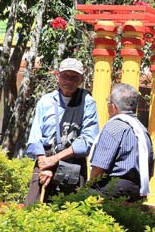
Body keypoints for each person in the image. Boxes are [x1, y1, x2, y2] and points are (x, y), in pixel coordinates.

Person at [24, 58, 99, 204]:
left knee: (69, 211)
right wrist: (44, 163)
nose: (69, 81)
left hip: (72, 163)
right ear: (57, 75)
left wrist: (55, 159)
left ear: (81, 79)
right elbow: (35, 137)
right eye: (65, 76)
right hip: (44, 160)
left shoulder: (88, 103)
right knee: (32, 206)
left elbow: (88, 141)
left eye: (74, 77)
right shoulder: (45, 101)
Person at [89, 83, 153, 202]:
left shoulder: (114, 126)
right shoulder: (142, 130)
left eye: (108, 102)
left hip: (113, 188)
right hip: (137, 190)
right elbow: (150, 168)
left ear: (113, 107)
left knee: (77, 199)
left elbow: (99, 167)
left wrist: (88, 186)